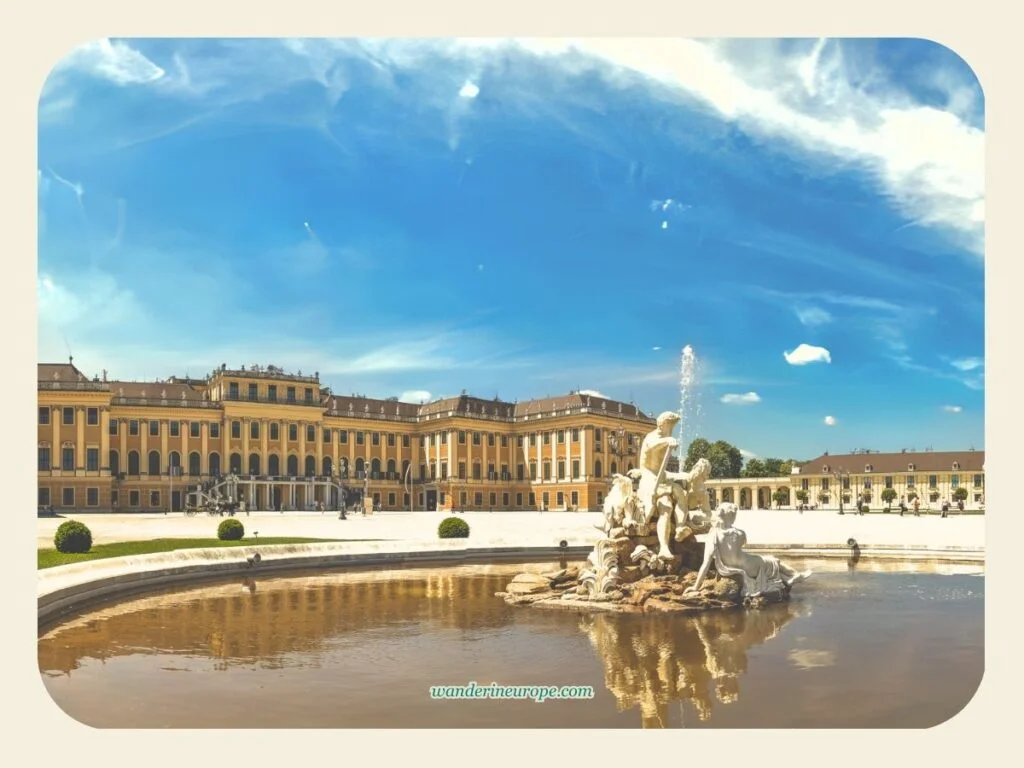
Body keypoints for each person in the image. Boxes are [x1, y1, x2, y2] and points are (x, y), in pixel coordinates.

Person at [637, 411, 696, 560]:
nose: (672, 430)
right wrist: (667, 440)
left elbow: (662, 468)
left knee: (681, 494)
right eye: (671, 426)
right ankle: (664, 548)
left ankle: (681, 527)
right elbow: (652, 446)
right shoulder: (652, 437)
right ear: (663, 425)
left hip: (662, 475)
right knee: (666, 505)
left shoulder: (666, 437)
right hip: (649, 477)